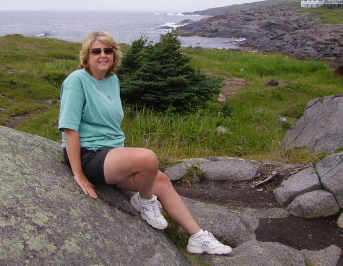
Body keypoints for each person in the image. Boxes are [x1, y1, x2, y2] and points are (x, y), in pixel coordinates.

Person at [58, 31, 232, 255]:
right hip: (88, 155)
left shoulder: (112, 80)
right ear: (86, 55)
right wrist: (78, 174)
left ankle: (198, 237)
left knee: (161, 180)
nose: (103, 55)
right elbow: (70, 129)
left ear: (114, 54)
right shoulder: (76, 81)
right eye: (96, 51)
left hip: (111, 155)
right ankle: (145, 200)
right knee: (148, 158)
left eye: (107, 50)